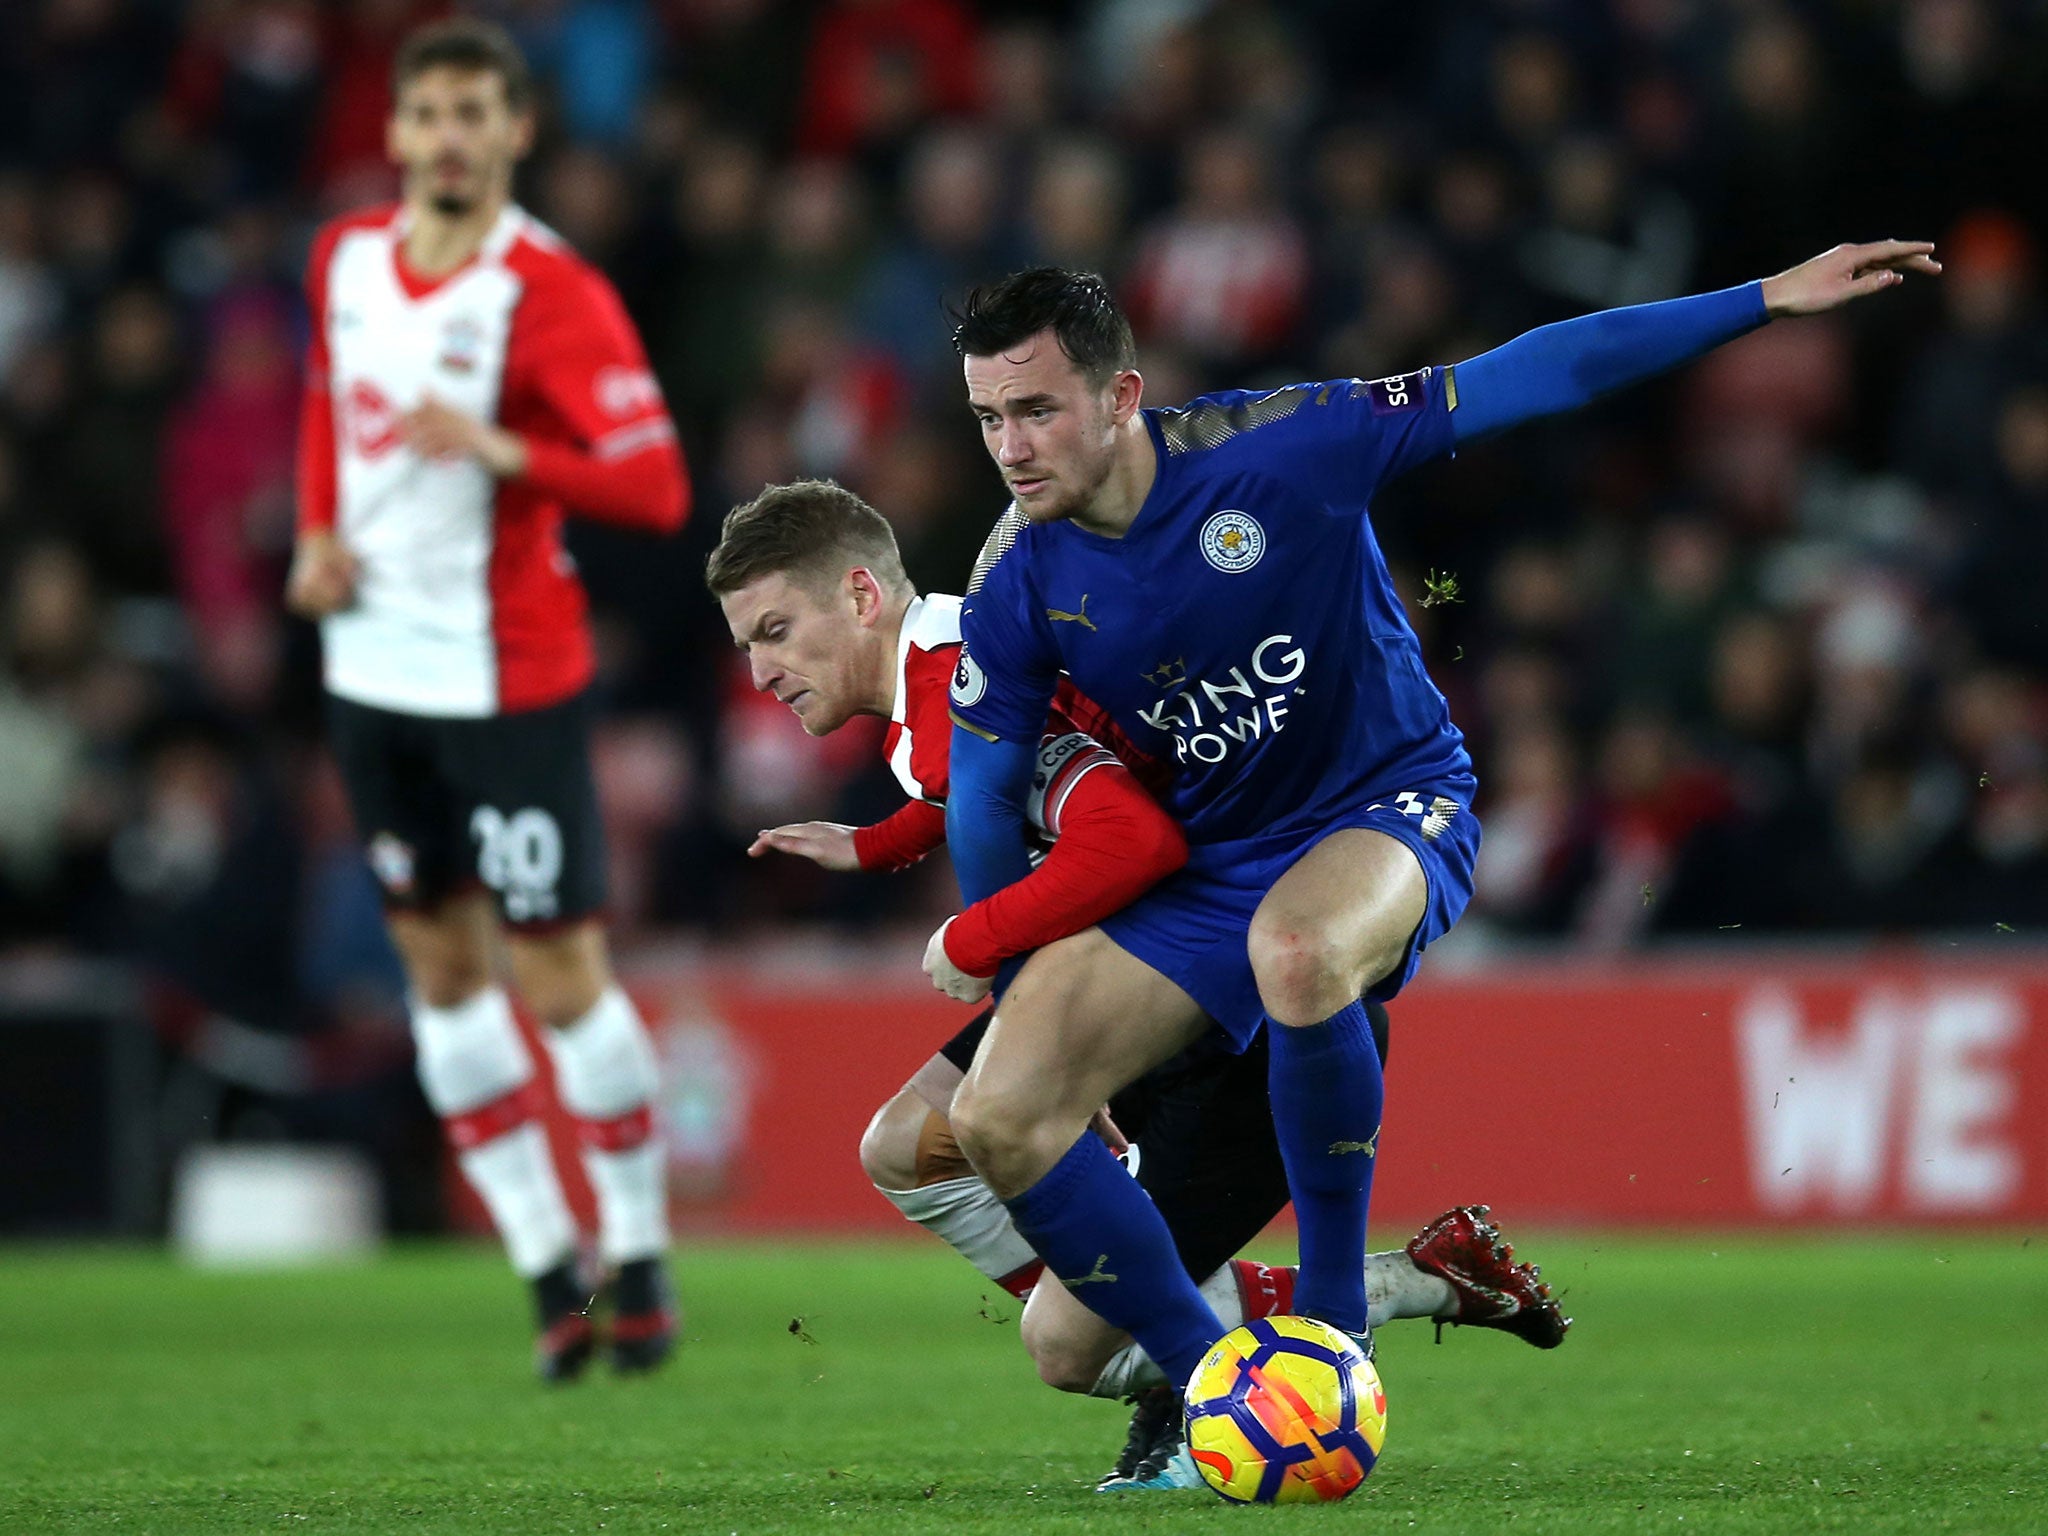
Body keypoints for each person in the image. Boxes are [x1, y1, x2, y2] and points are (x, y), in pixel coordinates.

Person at [939, 249, 1938, 1443]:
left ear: (1117, 395)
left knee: (1300, 950)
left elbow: (1531, 373)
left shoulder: (1284, 446)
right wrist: (1019, 992)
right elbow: (985, 811)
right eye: (988, 417)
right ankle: (1232, 1396)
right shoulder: (1016, 585)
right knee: (996, 1113)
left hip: (1383, 805)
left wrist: (1759, 301)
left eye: (1036, 409)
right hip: (1206, 866)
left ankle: (1328, 1331)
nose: (1009, 447)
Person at [704, 478, 1566, 1489]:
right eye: (745, 646)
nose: (759, 672)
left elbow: (1128, 837)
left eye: (773, 631)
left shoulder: (956, 684)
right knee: (907, 1147)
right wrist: (874, 846)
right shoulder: (936, 667)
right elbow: (975, 791)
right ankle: (1215, 1323)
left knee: (1066, 1347)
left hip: (1213, 1019)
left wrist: (977, 936)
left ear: (857, 595)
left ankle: (1314, 1327)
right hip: (1130, 961)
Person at [286, 18, 691, 1381]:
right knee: (441, 974)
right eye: (429, 114)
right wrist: (314, 536)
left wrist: (508, 445)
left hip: (505, 677)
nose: (450, 137)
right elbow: (326, 411)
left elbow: (653, 485)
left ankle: (636, 1248)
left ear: (519, 131)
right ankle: (545, 1269)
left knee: (559, 975)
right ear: (396, 132)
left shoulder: (551, 290)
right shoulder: (342, 258)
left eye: (476, 113)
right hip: (369, 674)